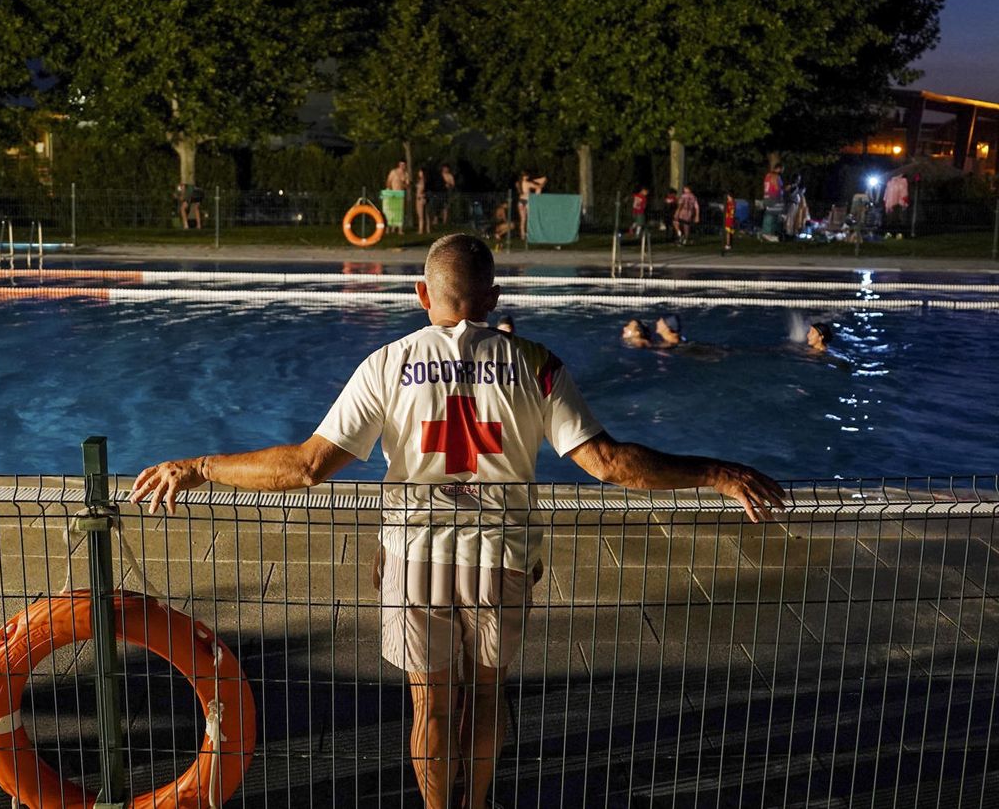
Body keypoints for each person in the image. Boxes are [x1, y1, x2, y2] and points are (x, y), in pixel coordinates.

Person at [131, 234, 785, 809]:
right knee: (486, 692)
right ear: (494, 295)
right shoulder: (535, 363)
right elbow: (610, 464)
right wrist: (717, 473)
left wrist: (200, 467)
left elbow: (305, 466)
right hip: (500, 553)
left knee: (432, 703)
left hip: (414, 553)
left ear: (423, 292)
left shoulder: (386, 364)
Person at [516, 171, 546, 241]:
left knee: (523, 219)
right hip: (527, 200)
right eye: (526, 176)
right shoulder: (527, 183)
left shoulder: (518, 183)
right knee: (529, 218)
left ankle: (522, 234)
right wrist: (544, 182)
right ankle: (530, 233)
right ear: (524, 176)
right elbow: (539, 186)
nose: (528, 177)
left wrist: (533, 181)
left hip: (521, 201)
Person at [437, 163, 457, 227]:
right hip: (439, 193)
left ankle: (444, 221)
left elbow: (453, 184)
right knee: (437, 207)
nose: (445, 169)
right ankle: (436, 220)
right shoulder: (439, 176)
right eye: (444, 168)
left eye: (447, 168)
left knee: (445, 207)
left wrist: (449, 185)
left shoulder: (450, 176)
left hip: (447, 193)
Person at [415, 165, 430, 235]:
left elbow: (422, 189)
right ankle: (427, 229)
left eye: (420, 172)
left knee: (421, 215)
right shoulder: (421, 180)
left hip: (421, 198)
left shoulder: (423, 181)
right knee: (424, 215)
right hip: (421, 198)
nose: (419, 173)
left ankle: (421, 230)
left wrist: (421, 195)